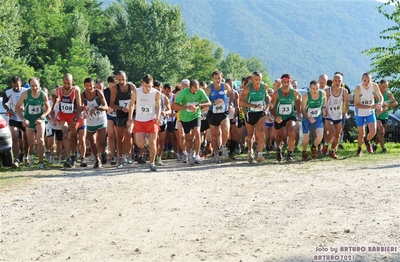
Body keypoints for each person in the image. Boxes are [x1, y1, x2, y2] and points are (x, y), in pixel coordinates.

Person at [14, 77, 51, 169]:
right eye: (32, 86)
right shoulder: (25, 94)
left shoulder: (43, 95)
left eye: (36, 86)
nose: (34, 88)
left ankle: (40, 162)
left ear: (39, 85)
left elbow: (48, 108)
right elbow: (17, 107)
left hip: (39, 119)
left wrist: (42, 117)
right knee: (31, 143)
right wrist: (23, 119)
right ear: (29, 86)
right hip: (29, 119)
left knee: (41, 140)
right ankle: (31, 158)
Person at [128, 74, 162, 171]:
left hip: (152, 120)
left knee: (153, 143)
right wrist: (130, 118)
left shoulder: (156, 93)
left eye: (150, 86)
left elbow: (159, 106)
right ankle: (146, 142)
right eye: (146, 86)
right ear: (142, 84)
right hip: (139, 120)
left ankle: (152, 163)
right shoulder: (136, 92)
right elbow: (131, 105)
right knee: (139, 144)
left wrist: (158, 117)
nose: (148, 89)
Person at [174, 79, 211, 165]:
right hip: (185, 117)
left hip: (196, 115)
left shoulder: (200, 91)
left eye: (197, 90)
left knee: (197, 133)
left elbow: (208, 103)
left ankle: (197, 155)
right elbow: (175, 105)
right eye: (194, 91)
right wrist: (187, 107)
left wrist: (198, 105)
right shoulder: (183, 93)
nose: (195, 92)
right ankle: (189, 154)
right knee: (188, 137)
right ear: (190, 88)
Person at [51, 73, 83, 168]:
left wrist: (75, 119)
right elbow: (57, 98)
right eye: (65, 83)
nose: (67, 85)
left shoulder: (75, 90)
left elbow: (80, 106)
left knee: (73, 138)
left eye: (68, 83)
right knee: (65, 135)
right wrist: (53, 108)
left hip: (73, 115)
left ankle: (73, 154)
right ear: (62, 81)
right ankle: (68, 158)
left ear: (72, 82)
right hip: (63, 115)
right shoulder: (59, 89)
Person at [239, 71, 271, 163]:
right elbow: (242, 102)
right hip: (250, 113)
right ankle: (250, 151)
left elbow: (267, 96)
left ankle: (260, 154)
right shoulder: (247, 88)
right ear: (252, 80)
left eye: (260, 79)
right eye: (256, 80)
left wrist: (268, 103)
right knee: (250, 135)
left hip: (260, 113)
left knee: (260, 132)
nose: (258, 81)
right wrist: (253, 106)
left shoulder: (264, 86)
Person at [270, 73, 302, 162]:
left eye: (288, 82)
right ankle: (278, 150)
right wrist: (275, 117)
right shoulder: (276, 93)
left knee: (291, 132)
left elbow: (298, 100)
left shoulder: (294, 93)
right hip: (279, 117)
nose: (286, 84)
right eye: (284, 82)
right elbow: (271, 107)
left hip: (290, 116)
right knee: (279, 137)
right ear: (281, 82)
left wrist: (298, 112)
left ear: (290, 82)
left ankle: (290, 154)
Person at [205, 70, 232, 163]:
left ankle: (223, 146)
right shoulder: (208, 89)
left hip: (223, 113)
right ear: (212, 78)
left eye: (219, 78)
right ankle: (216, 154)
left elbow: (230, 96)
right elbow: (205, 102)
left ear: (222, 77)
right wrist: (213, 102)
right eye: (215, 78)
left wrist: (230, 105)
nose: (217, 80)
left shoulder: (225, 86)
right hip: (213, 113)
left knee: (226, 130)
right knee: (214, 136)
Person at [110, 71, 136, 168]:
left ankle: (129, 155)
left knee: (129, 133)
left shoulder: (132, 87)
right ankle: (120, 157)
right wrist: (121, 108)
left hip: (130, 114)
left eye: (123, 79)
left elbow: (137, 101)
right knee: (120, 137)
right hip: (120, 114)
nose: (121, 81)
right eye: (119, 80)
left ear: (126, 78)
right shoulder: (114, 88)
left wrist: (133, 108)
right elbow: (112, 104)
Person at [353, 73, 383, 156]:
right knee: (361, 133)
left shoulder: (374, 86)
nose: (366, 82)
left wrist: (380, 105)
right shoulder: (358, 88)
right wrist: (371, 106)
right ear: (361, 80)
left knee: (373, 131)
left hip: (370, 112)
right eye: (364, 80)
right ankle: (359, 149)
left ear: (371, 80)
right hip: (360, 113)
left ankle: (367, 141)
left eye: (368, 81)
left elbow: (381, 97)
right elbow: (356, 104)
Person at [2, 76, 28, 167]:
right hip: (14, 117)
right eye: (14, 86)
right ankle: (16, 160)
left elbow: (31, 102)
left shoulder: (26, 91)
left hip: (25, 118)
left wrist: (25, 108)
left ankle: (26, 157)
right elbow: (4, 102)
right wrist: (8, 109)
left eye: (17, 86)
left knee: (26, 139)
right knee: (15, 138)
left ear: (21, 83)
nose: (16, 88)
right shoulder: (8, 92)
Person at [81, 78, 108, 168]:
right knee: (91, 142)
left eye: (90, 85)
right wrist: (83, 111)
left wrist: (96, 108)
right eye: (87, 86)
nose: (89, 87)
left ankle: (103, 153)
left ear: (94, 85)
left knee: (101, 140)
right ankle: (97, 160)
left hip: (101, 119)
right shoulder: (83, 95)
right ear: (84, 86)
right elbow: (80, 107)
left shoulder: (98, 93)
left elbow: (106, 106)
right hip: (90, 121)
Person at [322, 73, 349, 158]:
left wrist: (346, 112)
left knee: (337, 135)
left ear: (342, 81)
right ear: (333, 81)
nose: (337, 82)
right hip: (328, 115)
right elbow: (323, 103)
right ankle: (326, 145)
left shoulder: (344, 91)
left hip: (338, 116)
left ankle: (332, 150)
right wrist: (323, 110)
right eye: (336, 80)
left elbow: (347, 105)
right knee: (332, 132)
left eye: (339, 81)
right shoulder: (327, 91)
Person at [301, 80, 327, 161]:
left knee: (320, 136)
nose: (315, 91)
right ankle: (304, 152)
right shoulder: (306, 96)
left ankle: (314, 147)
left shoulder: (322, 93)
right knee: (306, 138)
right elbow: (302, 110)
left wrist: (323, 109)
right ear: (310, 88)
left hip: (317, 117)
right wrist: (309, 118)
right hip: (307, 118)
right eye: (313, 89)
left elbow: (325, 99)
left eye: (317, 89)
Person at [373, 79, 398, 153]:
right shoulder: (376, 94)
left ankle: (374, 145)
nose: (384, 88)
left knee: (382, 133)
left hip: (385, 116)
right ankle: (384, 149)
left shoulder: (389, 93)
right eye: (383, 87)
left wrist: (388, 105)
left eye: (386, 87)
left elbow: (395, 103)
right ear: (379, 85)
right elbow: (371, 104)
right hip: (376, 115)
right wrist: (378, 107)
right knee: (381, 130)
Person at [153, 80, 171, 166]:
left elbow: (170, 110)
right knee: (154, 141)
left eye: (159, 89)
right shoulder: (149, 98)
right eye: (155, 89)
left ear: (161, 89)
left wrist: (166, 113)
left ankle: (159, 157)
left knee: (161, 141)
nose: (157, 91)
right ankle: (154, 156)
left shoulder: (164, 98)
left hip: (162, 121)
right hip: (152, 122)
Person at [104, 75, 118, 165]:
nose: (112, 87)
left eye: (114, 85)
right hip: (109, 115)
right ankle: (112, 156)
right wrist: (107, 108)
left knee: (119, 136)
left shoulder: (120, 90)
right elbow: (103, 103)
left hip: (119, 115)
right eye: (111, 86)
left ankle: (120, 154)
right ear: (108, 84)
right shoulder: (105, 92)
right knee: (111, 135)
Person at [225, 78, 240, 160]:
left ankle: (232, 152)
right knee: (227, 133)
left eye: (232, 85)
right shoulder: (222, 93)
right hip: (223, 115)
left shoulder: (235, 93)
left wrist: (235, 115)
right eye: (229, 85)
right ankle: (224, 148)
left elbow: (237, 105)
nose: (231, 86)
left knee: (233, 133)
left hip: (232, 114)